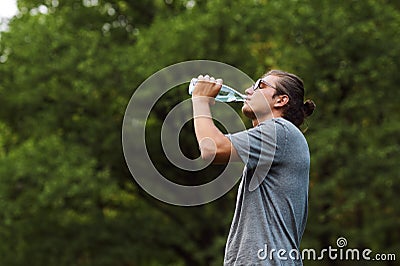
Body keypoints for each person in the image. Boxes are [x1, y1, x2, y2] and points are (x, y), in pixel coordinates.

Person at [191, 70, 316, 265]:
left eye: (260, 85)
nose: (249, 90)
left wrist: (200, 101)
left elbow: (211, 148)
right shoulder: (275, 139)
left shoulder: (280, 132)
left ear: (281, 100)